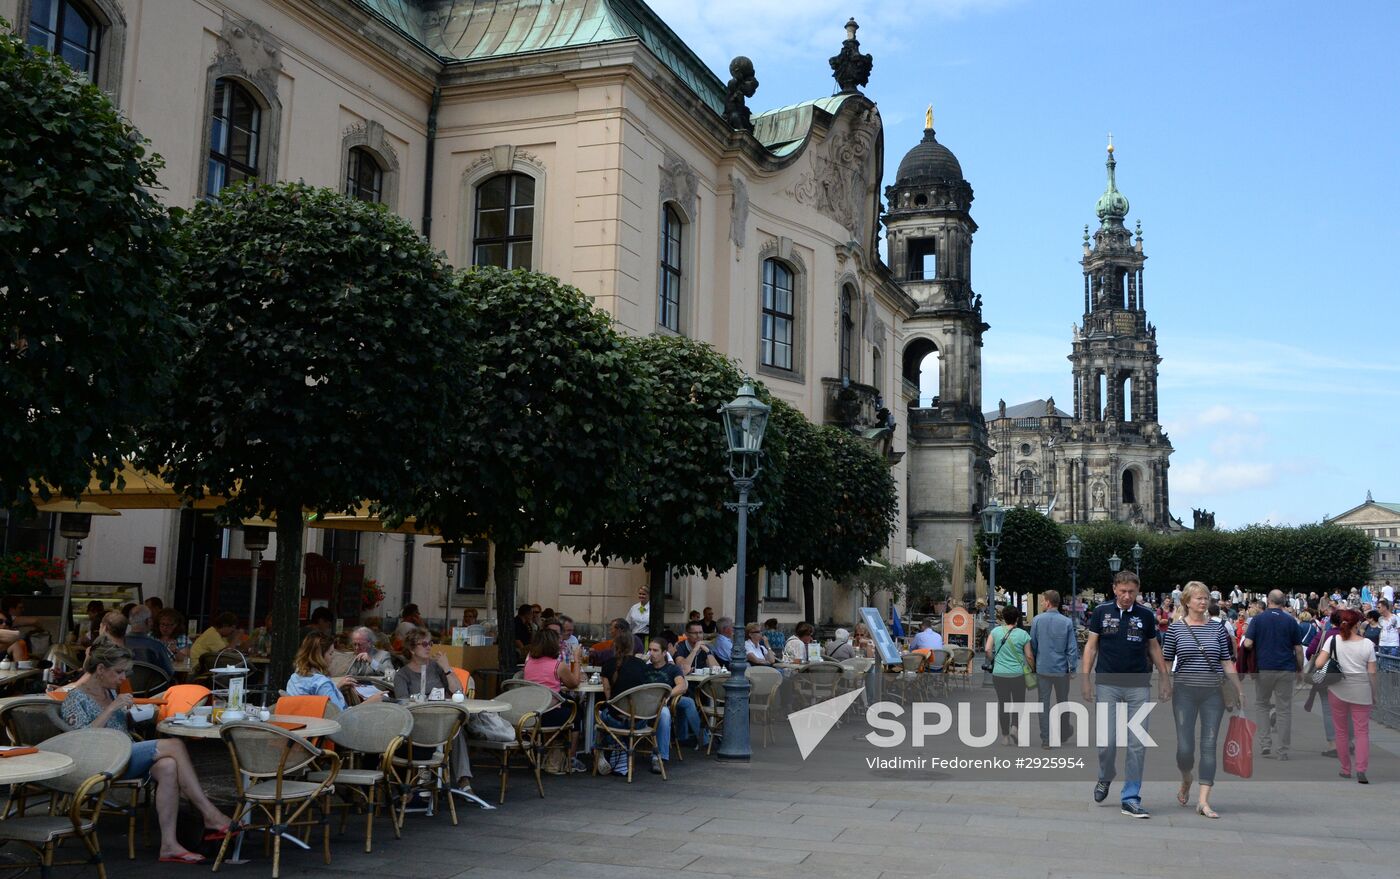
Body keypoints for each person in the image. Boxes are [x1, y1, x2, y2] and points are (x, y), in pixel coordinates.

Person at [60, 643, 234, 865]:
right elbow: (81, 740)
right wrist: (112, 708)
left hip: (124, 753)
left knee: (169, 765)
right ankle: (210, 813)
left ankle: (169, 845)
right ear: (101, 669)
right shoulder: (75, 697)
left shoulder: (109, 690)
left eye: (125, 672)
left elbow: (121, 726)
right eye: (119, 671)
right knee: (174, 746)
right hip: (100, 760)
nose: (123, 677)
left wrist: (139, 714)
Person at [1081, 571, 1171, 819]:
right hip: (1107, 683)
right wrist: (1085, 678)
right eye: (1122, 591)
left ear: (1137, 591)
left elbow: (1154, 646)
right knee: (1106, 741)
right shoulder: (1101, 612)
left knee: (1136, 745)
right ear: (1114, 589)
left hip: (1138, 685)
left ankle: (1131, 797)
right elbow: (1091, 646)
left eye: (1131, 592)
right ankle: (1106, 774)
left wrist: (1164, 677)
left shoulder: (1145, 615)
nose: (1127, 596)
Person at [1161, 582, 1244, 819]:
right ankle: (1186, 778)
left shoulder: (1217, 629)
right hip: (1184, 692)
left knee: (1209, 745)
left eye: (1206, 598)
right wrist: (1164, 684)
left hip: (1213, 694)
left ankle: (1203, 800)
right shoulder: (1176, 629)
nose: (1203, 602)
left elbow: (1226, 661)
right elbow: (1167, 662)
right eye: (1198, 598)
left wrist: (1238, 688)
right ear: (1187, 601)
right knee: (1185, 747)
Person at [392, 628, 475, 791]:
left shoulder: (437, 668)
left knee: (456, 731)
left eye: (430, 643)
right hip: (419, 723)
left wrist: (447, 668)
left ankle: (463, 779)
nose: (428, 647)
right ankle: (425, 776)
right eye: (423, 644)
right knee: (452, 730)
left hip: (443, 718)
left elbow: (459, 693)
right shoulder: (403, 675)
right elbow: (402, 703)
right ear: (411, 649)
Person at [599, 634, 688, 774]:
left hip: (657, 706)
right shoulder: (643, 667)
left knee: (664, 714)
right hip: (638, 710)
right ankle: (619, 752)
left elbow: (682, 686)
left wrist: (667, 695)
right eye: (650, 650)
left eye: (655, 650)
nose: (651, 653)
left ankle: (659, 758)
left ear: (664, 653)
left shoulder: (672, 669)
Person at [1313, 609, 1378, 783]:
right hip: (1362, 690)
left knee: (1341, 731)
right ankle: (1361, 769)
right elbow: (1372, 673)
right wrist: (1374, 693)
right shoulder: (1368, 644)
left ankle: (1345, 768)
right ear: (1357, 624)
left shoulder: (1332, 640)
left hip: (1338, 689)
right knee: (1362, 732)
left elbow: (1319, 663)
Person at [1241, 590, 1304, 760]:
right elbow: (1298, 649)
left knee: (1262, 705)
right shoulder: (1291, 621)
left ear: (1268, 601)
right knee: (1284, 709)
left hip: (1264, 668)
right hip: (1286, 668)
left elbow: (1248, 643)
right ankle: (1283, 749)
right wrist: (1300, 669)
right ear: (1283, 602)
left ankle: (1265, 744)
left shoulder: (1258, 619)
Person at [1030, 590, 1078, 748]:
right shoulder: (1067, 622)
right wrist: (1073, 668)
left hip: (1043, 667)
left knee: (1043, 703)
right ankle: (1064, 732)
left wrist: (1035, 662)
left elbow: (1033, 645)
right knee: (1063, 701)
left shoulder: (1037, 620)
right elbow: (1072, 648)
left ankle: (1045, 739)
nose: (1043, 603)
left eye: (1043, 601)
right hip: (1061, 669)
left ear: (1048, 602)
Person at [287, 631, 384, 709]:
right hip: (327, 729)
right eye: (330, 654)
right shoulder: (322, 683)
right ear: (319, 656)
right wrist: (370, 702)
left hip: (304, 724)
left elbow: (315, 700)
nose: (332, 658)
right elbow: (340, 716)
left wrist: (336, 688)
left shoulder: (294, 677)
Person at [985, 606, 1033, 746]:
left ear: (1004, 618)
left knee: (1003, 704)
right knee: (1018, 703)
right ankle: (1014, 727)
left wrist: (994, 660)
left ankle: (1005, 736)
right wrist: (1033, 669)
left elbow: (988, 649)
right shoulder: (1023, 634)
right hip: (1018, 675)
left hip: (999, 674)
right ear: (1017, 618)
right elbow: (1029, 656)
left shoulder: (995, 631)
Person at [126, 606, 174, 676]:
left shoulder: (119, 643)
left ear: (130, 621)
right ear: (148, 621)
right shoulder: (156, 646)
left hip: (124, 685)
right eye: (151, 619)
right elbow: (170, 672)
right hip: (153, 686)